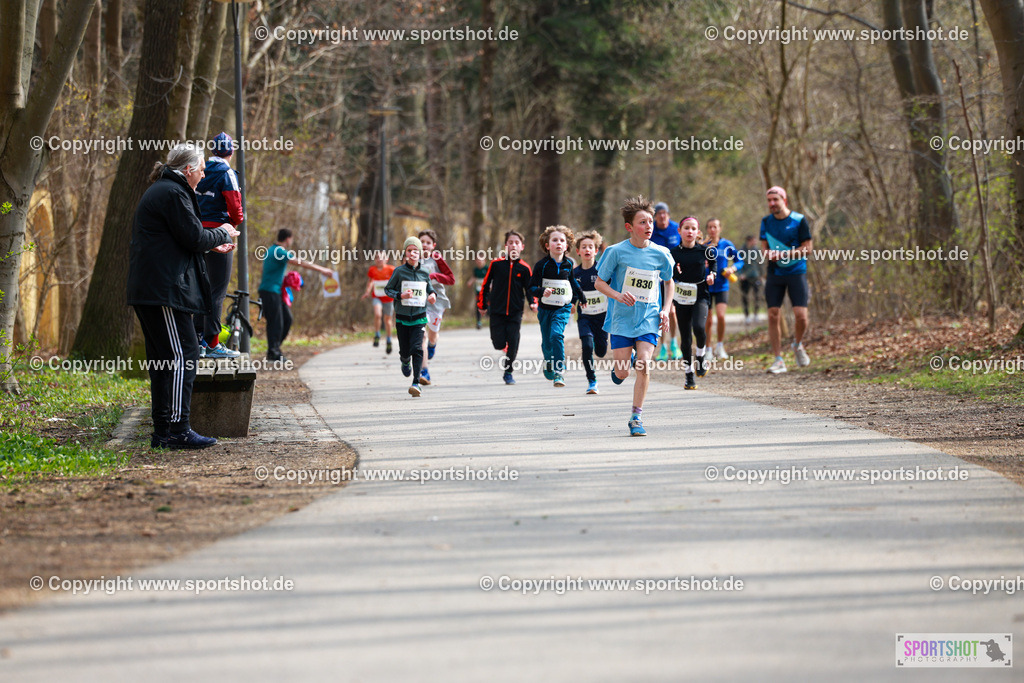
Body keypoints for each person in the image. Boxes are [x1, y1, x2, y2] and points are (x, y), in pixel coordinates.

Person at [127, 143, 238, 450]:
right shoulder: (173, 193)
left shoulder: (166, 190)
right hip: (162, 291)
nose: (203, 175)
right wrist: (223, 232)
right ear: (188, 169)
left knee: (165, 359)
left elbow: (183, 240)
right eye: (202, 169)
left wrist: (209, 243)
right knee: (183, 354)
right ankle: (177, 429)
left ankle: (163, 431)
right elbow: (193, 235)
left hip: (153, 289)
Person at [594, 195, 674, 437]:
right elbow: (599, 283)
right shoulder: (615, 252)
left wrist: (666, 309)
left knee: (645, 364)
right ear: (629, 227)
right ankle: (622, 366)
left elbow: (669, 282)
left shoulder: (661, 253)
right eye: (642, 222)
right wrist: (618, 296)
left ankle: (636, 416)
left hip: (649, 318)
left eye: (650, 221)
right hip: (621, 320)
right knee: (622, 372)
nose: (649, 226)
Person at [193, 132, 244, 359]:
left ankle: (197, 342)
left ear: (213, 150)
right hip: (220, 233)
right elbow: (236, 209)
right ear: (231, 152)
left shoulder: (199, 171)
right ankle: (212, 343)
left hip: (197, 234)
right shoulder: (227, 173)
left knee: (199, 289)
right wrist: (231, 225)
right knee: (217, 290)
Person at [257, 228, 333, 362]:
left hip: (274, 291)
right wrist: (322, 270)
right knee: (276, 322)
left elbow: (263, 269)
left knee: (287, 319)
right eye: (291, 239)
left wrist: (282, 277)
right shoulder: (279, 251)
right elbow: (300, 262)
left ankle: (274, 349)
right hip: (270, 291)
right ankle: (273, 352)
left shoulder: (270, 250)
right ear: (288, 239)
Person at [760, 186, 813, 374]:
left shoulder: (799, 220)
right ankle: (778, 359)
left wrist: (785, 254)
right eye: (769, 200)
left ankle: (797, 345)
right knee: (773, 314)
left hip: (796, 272)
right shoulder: (766, 222)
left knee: (801, 316)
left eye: (775, 200)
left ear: (785, 200)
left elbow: (807, 248)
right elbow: (764, 248)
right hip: (775, 273)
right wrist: (769, 255)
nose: (772, 204)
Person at [530, 225, 585, 388]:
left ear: (567, 246)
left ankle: (559, 371)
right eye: (555, 240)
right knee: (547, 343)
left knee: (556, 336)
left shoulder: (568, 264)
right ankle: (548, 360)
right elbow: (531, 287)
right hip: (545, 309)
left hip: (562, 308)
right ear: (548, 245)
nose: (559, 243)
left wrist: (580, 295)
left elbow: (572, 282)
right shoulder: (542, 265)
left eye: (562, 240)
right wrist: (541, 291)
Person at [478, 230, 536, 385]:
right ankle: (502, 347)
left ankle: (508, 372)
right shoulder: (496, 265)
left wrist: (533, 302)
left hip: (515, 312)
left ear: (522, 246)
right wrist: (482, 304)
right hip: (496, 310)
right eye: (511, 242)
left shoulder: (524, 268)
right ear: (506, 246)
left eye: (517, 243)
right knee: (498, 343)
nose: (513, 245)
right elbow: (485, 285)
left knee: (514, 340)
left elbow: (530, 288)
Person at [383, 236, 437, 397]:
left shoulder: (424, 272)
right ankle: (405, 361)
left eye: (416, 251)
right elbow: (388, 290)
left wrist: (432, 295)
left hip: (420, 317)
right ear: (405, 253)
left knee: (418, 348)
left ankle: (415, 382)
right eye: (409, 250)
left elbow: (430, 288)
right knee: (405, 350)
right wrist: (400, 295)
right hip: (402, 317)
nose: (413, 253)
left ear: (420, 254)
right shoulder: (399, 272)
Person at [670, 217, 715, 390]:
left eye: (693, 228)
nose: (690, 231)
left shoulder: (705, 250)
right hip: (681, 298)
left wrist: (712, 275)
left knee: (699, 328)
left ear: (697, 232)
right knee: (686, 338)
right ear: (679, 231)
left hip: (701, 295)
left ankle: (701, 357)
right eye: (686, 228)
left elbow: (714, 264)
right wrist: (674, 274)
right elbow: (669, 272)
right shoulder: (673, 253)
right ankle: (689, 375)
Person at [416, 229, 454, 385]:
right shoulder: (412, 257)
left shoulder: (436, 258)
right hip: (419, 301)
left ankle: (433, 344)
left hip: (436, 301)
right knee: (421, 336)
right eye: (422, 242)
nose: (424, 245)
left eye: (428, 243)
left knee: (432, 335)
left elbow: (451, 279)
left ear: (433, 245)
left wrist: (433, 276)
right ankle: (424, 371)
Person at [573, 230, 608, 394]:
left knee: (601, 351)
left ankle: (600, 344)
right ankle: (592, 380)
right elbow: (571, 293)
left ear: (596, 250)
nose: (587, 250)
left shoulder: (603, 270)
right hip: (585, 317)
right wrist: (572, 303)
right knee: (587, 346)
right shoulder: (575, 274)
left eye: (591, 247)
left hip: (602, 317)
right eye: (583, 247)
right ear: (578, 251)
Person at [703, 218, 743, 359]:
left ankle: (720, 346)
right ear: (707, 229)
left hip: (722, 286)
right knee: (707, 319)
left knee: (720, 316)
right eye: (710, 227)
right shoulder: (703, 245)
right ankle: (707, 349)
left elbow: (740, 261)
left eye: (715, 227)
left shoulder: (727, 245)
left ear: (720, 228)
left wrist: (732, 268)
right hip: (706, 286)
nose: (712, 229)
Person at [650, 202, 682, 362]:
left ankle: (674, 343)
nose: (662, 216)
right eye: (659, 213)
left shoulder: (676, 229)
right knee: (660, 312)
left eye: (665, 213)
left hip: (675, 277)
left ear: (668, 214)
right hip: (656, 277)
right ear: (655, 216)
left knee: (672, 311)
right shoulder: (651, 230)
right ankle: (662, 346)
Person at [361, 251, 395, 354]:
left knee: (388, 320)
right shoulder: (372, 270)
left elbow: (396, 281)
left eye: (381, 257)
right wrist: (367, 292)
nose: (379, 259)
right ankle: (377, 334)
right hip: (377, 296)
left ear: (386, 259)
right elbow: (370, 281)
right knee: (377, 314)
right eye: (377, 257)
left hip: (389, 299)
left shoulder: (391, 269)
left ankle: (389, 339)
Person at [737, 235, 763, 324]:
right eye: (753, 241)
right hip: (744, 279)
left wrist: (761, 275)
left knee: (757, 296)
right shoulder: (741, 251)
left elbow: (760, 263)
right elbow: (738, 263)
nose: (755, 242)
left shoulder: (757, 250)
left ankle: (756, 314)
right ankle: (747, 316)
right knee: (745, 297)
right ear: (748, 241)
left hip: (755, 277)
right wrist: (740, 274)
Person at [468, 256, 488, 329]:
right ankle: (478, 322)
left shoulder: (487, 268)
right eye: (478, 260)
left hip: (487, 291)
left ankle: (491, 318)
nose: (479, 261)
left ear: (484, 260)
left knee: (488, 304)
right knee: (478, 305)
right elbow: (474, 277)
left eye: (481, 260)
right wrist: (470, 282)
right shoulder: (476, 269)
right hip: (479, 291)